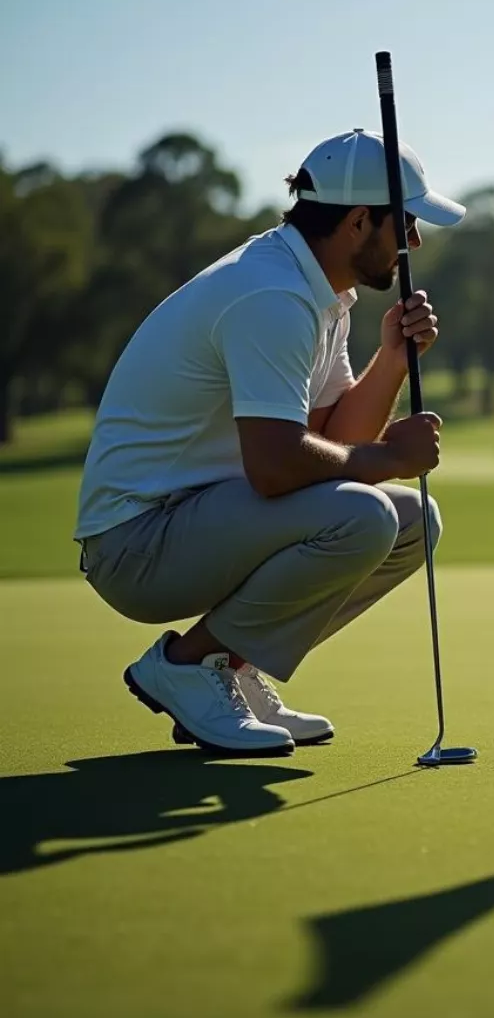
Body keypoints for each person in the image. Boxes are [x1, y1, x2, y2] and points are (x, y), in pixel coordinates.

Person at [74, 128, 464, 756]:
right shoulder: (273, 295)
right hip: (138, 545)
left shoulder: (321, 291)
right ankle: (187, 666)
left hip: (205, 520)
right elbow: (278, 468)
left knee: (415, 520)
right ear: (360, 221)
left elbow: (332, 440)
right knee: (363, 515)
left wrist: (392, 359)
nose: (415, 242)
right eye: (407, 224)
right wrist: (390, 458)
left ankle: (232, 665)